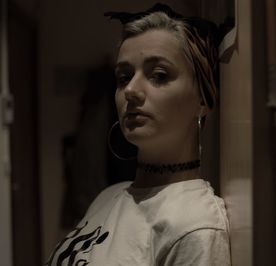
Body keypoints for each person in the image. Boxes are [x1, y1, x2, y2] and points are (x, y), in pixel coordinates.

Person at [46, 3, 231, 266]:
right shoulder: (108, 196)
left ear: (203, 99)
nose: (131, 90)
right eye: (123, 77)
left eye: (158, 75)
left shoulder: (195, 226)